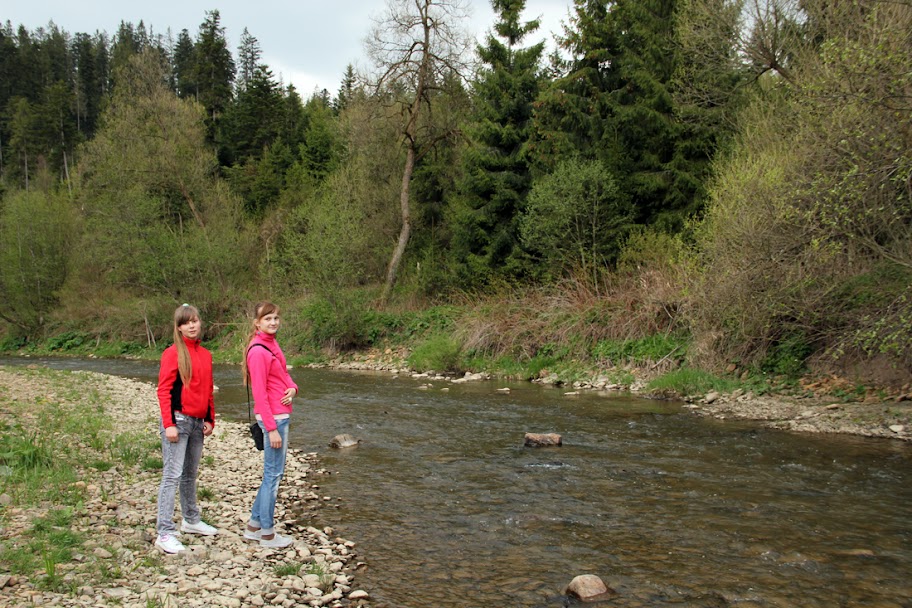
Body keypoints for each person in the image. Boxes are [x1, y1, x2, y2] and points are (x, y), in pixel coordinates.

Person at [154, 304, 218, 554]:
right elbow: (164, 389)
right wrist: (168, 424)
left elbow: (208, 388)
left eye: (195, 321)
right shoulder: (172, 353)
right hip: (178, 421)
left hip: (197, 421)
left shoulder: (206, 354)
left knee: (190, 474)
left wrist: (210, 418)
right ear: (179, 327)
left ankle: (191, 520)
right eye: (186, 322)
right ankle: (165, 531)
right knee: (172, 475)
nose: (192, 325)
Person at [242, 301, 299, 548]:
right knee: (273, 476)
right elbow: (260, 394)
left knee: (272, 474)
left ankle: (254, 526)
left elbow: (284, 375)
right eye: (268, 319)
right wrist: (271, 429)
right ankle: (267, 533)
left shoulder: (272, 344)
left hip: (280, 414)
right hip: (273, 419)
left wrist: (293, 388)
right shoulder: (257, 351)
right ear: (257, 323)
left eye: (276, 318)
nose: (273, 322)